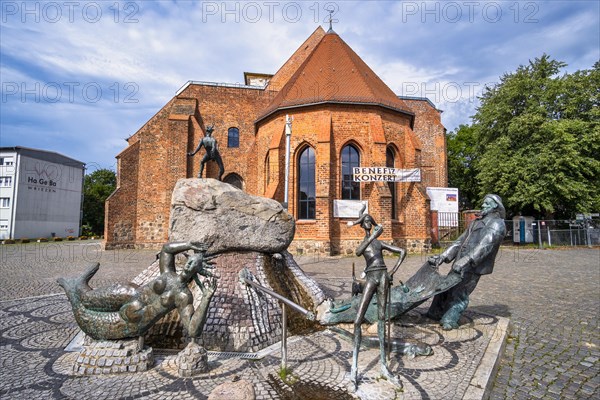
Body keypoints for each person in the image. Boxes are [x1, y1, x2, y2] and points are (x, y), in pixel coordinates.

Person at [58, 241, 218, 340]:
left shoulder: (183, 297)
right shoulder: (168, 273)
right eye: (189, 262)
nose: (189, 266)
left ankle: (71, 289)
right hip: (127, 295)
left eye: (194, 265)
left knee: (88, 320)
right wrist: (189, 244)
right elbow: (166, 250)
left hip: (132, 320)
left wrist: (206, 299)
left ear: (198, 270)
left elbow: (192, 330)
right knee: (87, 299)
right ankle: (78, 285)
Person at [426, 194, 506, 330]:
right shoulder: (476, 222)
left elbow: (485, 246)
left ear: (495, 207)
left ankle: (450, 319)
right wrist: (443, 256)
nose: (483, 206)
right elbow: (459, 242)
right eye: (483, 203)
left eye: (487, 204)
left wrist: (466, 261)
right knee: (445, 286)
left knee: (460, 291)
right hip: (459, 262)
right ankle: (435, 312)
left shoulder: (497, 224)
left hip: (474, 264)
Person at [348, 205, 406, 388]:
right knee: (358, 321)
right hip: (371, 277)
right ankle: (354, 368)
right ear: (363, 226)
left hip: (382, 276)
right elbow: (358, 252)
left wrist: (392, 273)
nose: (367, 223)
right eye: (364, 221)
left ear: (371, 224)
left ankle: (383, 365)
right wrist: (375, 235)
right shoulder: (370, 241)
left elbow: (402, 252)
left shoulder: (379, 243)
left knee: (382, 319)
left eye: (369, 221)